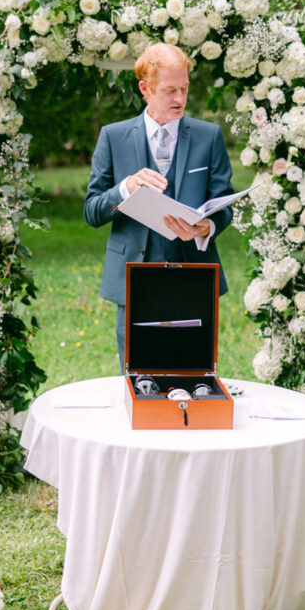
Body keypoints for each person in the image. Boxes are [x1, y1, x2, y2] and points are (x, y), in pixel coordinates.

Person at [84, 42, 234, 367]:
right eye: (169, 90)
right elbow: (92, 211)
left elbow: (225, 205)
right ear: (145, 88)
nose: (179, 99)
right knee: (137, 373)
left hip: (193, 275)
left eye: (184, 88)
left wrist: (207, 226)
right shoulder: (114, 137)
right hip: (135, 277)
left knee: (194, 372)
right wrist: (126, 188)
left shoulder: (209, 137)